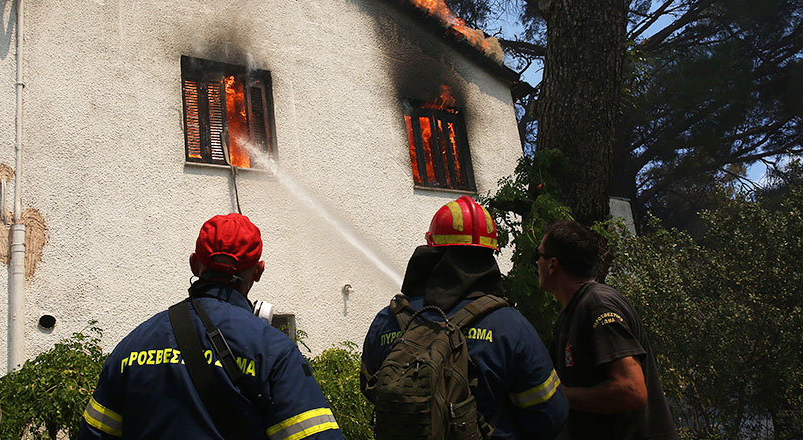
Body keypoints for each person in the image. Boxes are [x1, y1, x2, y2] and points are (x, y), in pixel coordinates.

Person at [80, 213, 344, 440]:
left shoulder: (132, 345)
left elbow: (94, 433)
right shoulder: (274, 351)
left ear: (194, 264)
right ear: (258, 272)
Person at [361, 196, 568, 439]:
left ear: (431, 249)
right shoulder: (511, 327)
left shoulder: (388, 320)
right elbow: (551, 415)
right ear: (490, 256)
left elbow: (370, 388)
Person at [537, 220, 678, 440]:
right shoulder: (572, 313)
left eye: (538, 255)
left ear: (552, 265)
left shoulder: (598, 306)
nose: (536, 262)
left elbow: (631, 390)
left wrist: (560, 395)